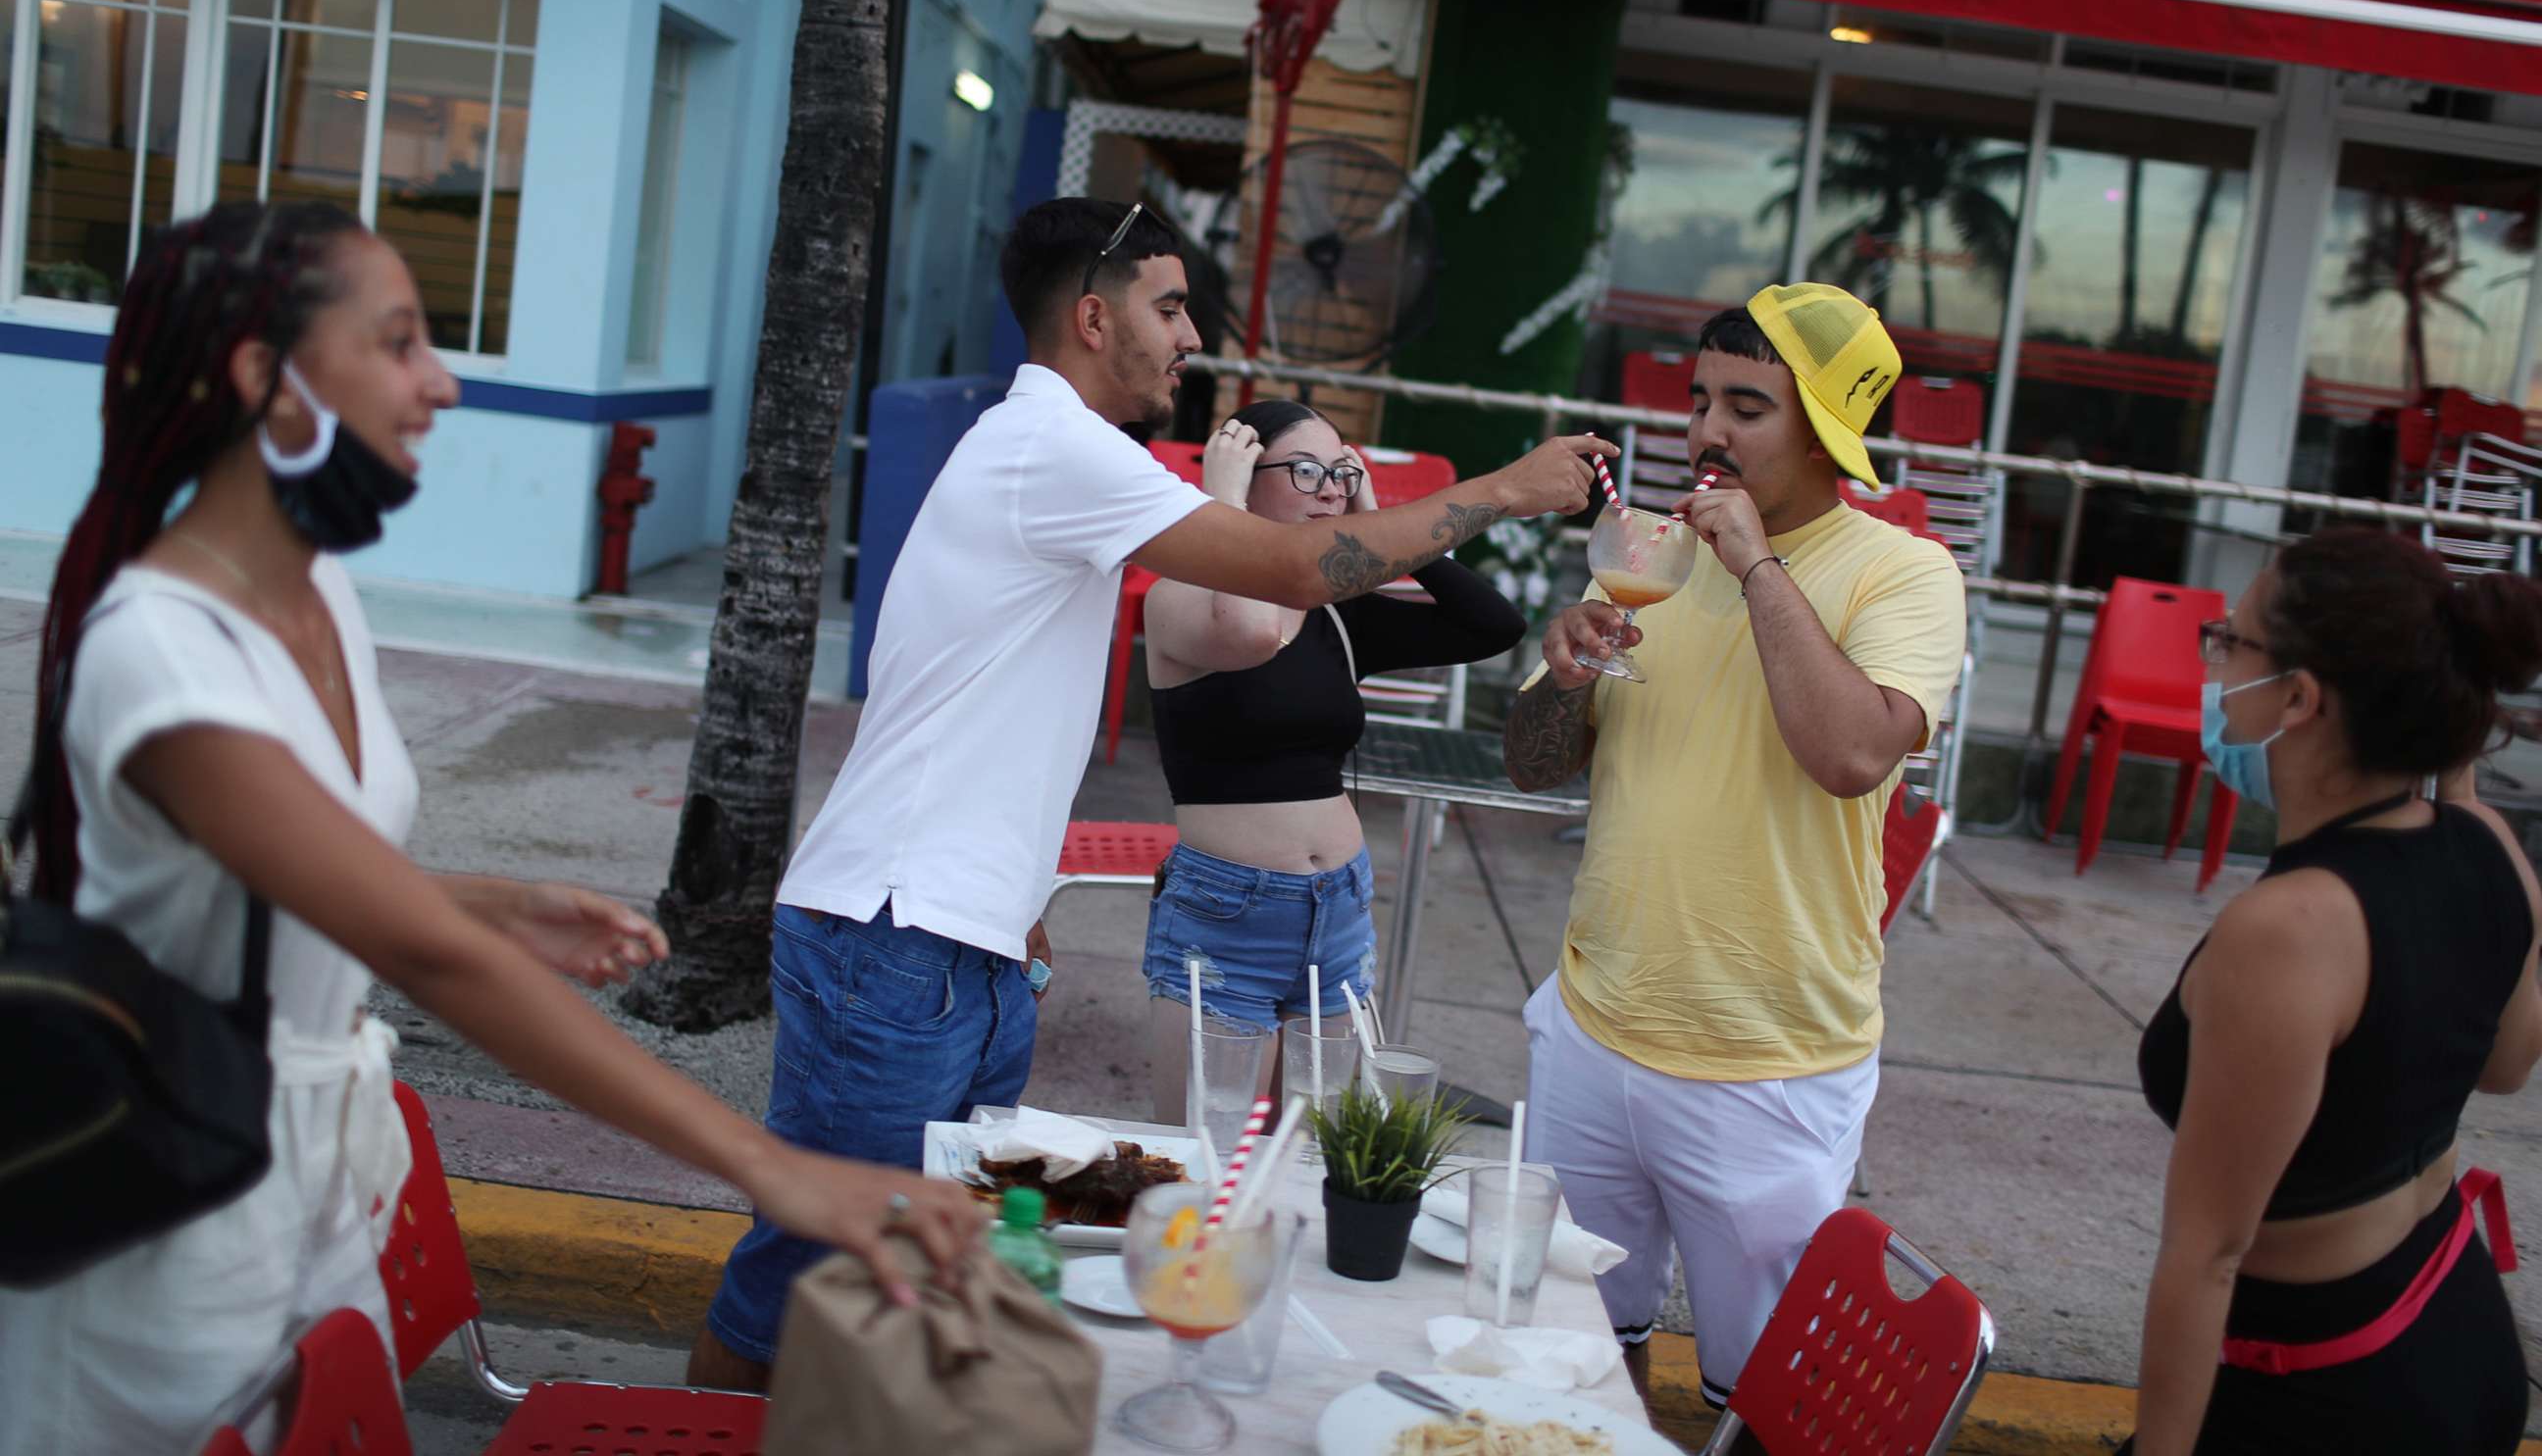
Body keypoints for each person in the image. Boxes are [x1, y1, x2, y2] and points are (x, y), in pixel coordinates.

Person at [0, 202, 986, 1456]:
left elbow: (308, 874)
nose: (444, 384)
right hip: (170, 1226)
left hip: (314, 1189)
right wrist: (773, 1168)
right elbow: (426, 962)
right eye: (401, 343)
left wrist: (484, 902)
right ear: (268, 380)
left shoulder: (314, 589)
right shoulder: (160, 652)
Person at [689, 197, 1613, 1389]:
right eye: (1170, 307)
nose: (1192, 338)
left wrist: (1014, 904)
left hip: (961, 939)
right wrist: (1508, 488)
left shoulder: (1063, 458)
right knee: (803, 1274)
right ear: (1090, 318)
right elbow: (1290, 568)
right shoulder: (1051, 447)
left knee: (920, 1269)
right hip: (893, 937)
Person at [1500, 283, 1967, 1407]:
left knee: (1756, 1396)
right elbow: (1530, 761)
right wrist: (1561, 677)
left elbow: (1855, 754)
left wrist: (1760, 566)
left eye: (1747, 407)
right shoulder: (1654, 552)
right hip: (1594, 1024)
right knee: (1567, 1353)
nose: (1705, 432)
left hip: (1769, 1066)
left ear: (1824, 430)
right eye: (1701, 399)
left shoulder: (1907, 574)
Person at [2123, 527, 2542, 1456]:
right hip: (2459, 1329)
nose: (2217, 656)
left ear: (2301, 697)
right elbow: (2507, 1065)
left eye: (2233, 641)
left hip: (2326, 1392)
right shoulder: (2490, 849)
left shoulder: (2287, 931)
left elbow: (2206, 1257)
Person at [1141, 398, 1528, 1122]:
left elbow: (1493, 626)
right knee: (1203, 1161)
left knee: (1317, 1159)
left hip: (1339, 911)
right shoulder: (1179, 599)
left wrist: (1383, 528)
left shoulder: (1337, 612)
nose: (1331, 488)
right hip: (1228, 916)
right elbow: (1253, 632)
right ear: (1246, 473)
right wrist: (1218, 507)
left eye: (1343, 474)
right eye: (1308, 470)